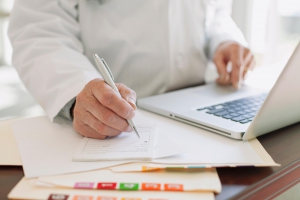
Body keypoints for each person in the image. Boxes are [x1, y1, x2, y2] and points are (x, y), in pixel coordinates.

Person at [8, 0, 255, 140]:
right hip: (112, 125)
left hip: (199, 109)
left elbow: (215, 11)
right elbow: (39, 32)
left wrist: (224, 40)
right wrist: (76, 91)